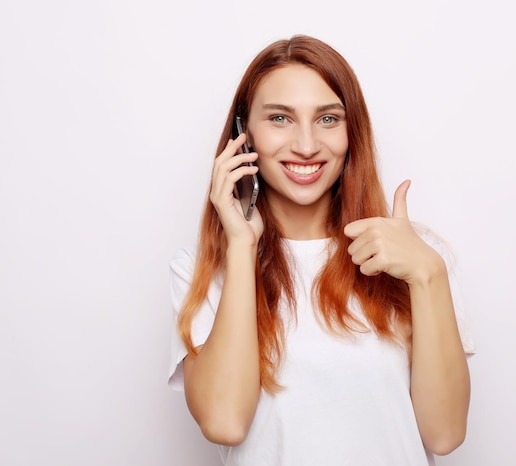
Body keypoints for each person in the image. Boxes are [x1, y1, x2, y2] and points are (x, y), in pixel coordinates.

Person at [168, 34, 475, 466]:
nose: (307, 145)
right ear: (243, 134)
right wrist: (241, 246)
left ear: (353, 131)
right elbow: (224, 423)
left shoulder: (416, 258)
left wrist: (428, 273)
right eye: (280, 118)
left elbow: (443, 434)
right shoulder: (202, 270)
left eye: (328, 119)